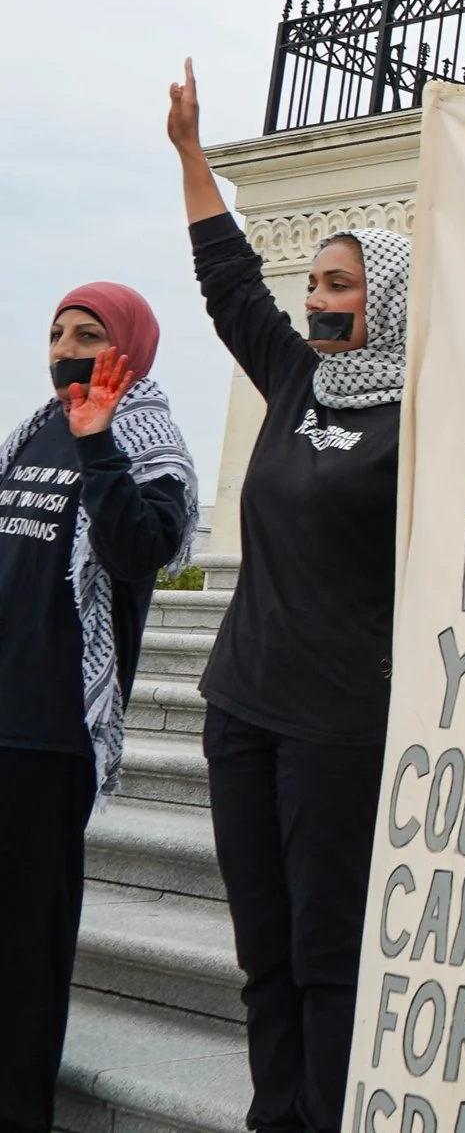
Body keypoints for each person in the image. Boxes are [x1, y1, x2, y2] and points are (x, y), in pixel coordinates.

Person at [167, 61, 405, 1133]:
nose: (317, 299)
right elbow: (228, 282)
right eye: (314, 283)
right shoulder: (295, 378)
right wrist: (191, 158)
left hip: (340, 725)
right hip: (243, 708)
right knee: (262, 949)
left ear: (387, 301)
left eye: (342, 287)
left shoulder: (424, 420)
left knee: (324, 956)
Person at [0, 289, 195, 1133]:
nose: (67, 348)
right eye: (57, 333)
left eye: (90, 335)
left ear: (133, 350)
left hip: (52, 728)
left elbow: (141, 548)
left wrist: (98, 443)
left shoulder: (147, 442)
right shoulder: (30, 430)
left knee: (26, 947)